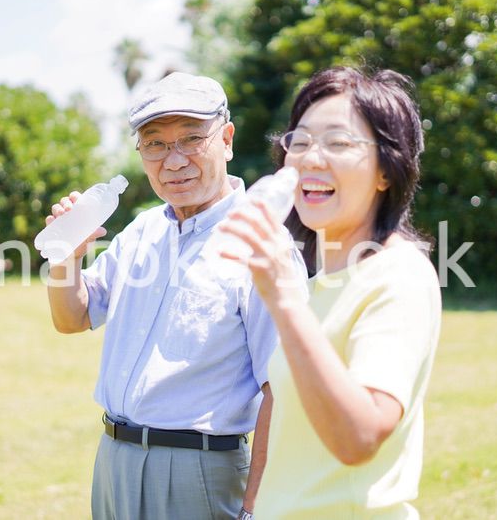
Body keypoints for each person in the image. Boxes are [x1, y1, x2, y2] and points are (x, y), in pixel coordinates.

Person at [44, 72, 305, 520]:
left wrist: (254, 509)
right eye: (156, 144)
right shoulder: (141, 231)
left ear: (225, 139)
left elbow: (283, 390)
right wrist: (67, 258)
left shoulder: (262, 241)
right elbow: (72, 318)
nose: (174, 160)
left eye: (190, 139)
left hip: (201, 472)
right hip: (113, 461)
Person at [218, 66, 442, 519]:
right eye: (298, 142)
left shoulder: (399, 276)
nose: (310, 159)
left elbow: (359, 437)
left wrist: (284, 302)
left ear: (386, 170)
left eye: (338, 143)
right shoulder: (316, 283)